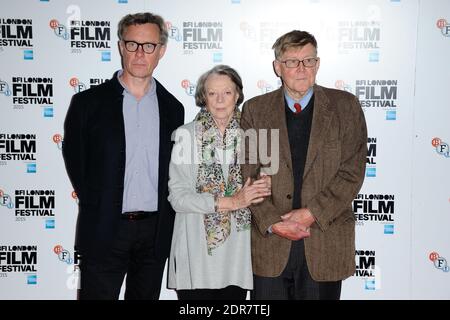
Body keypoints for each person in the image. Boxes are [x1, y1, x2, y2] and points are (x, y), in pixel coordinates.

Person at [62, 12, 184, 300]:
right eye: (132, 44)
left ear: (161, 51)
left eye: (149, 46)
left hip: (155, 235)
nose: (140, 54)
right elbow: (77, 162)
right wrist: (100, 203)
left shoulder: (173, 108)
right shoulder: (87, 104)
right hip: (104, 229)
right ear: (120, 47)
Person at [240, 30, 367, 300]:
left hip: (325, 241)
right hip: (270, 245)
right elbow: (247, 174)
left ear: (317, 64)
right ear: (277, 67)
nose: (301, 69)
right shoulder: (255, 110)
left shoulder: (346, 107)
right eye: (291, 62)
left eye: (308, 61)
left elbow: (352, 172)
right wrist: (274, 222)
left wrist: (311, 213)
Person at [167, 65, 271, 300]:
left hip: (239, 251)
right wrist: (232, 202)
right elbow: (178, 197)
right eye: (212, 93)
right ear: (204, 97)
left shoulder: (254, 134)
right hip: (196, 249)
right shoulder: (186, 135)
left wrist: (264, 185)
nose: (220, 100)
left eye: (227, 92)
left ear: (238, 95)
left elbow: (267, 184)